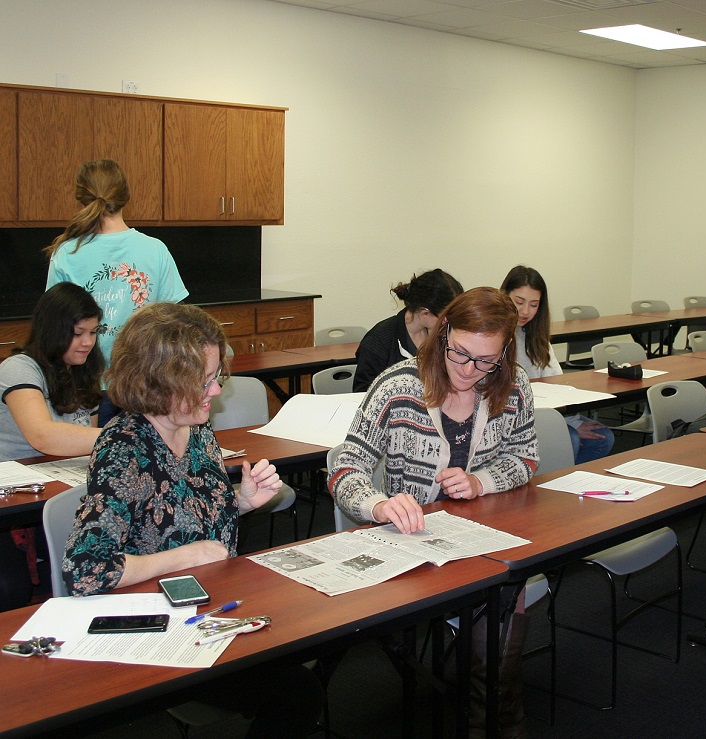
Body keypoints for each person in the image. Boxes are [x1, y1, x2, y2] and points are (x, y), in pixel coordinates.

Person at [60, 302, 322, 736]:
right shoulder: (125, 449)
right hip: (162, 624)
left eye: (216, 377)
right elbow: (86, 571)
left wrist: (241, 501)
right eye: (203, 381)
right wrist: (185, 556)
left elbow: (195, 520)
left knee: (317, 633)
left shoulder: (196, 429)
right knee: (296, 691)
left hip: (216, 602)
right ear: (159, 382)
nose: (216, 391)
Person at [330, 286, 537, 736]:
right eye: (461, 354)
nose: (469, 370)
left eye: (487, 361)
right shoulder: (399, 386)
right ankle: (492, 719)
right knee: (496, 616)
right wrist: (379, 503)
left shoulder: (513, 385)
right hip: (414, 546)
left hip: (484, 541)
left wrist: (483, 481)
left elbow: (525, 457)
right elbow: (346, 466)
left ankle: (493, 719)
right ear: (442, 333)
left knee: (503, 600)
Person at [0, 282, 104, 611]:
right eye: (78, 333)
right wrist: (125, 435)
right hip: (14, 499)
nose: (87, 342)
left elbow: (83, 442)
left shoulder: (82, 370)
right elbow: (43, 436)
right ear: (54, 330)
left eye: (94, 331)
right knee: (11, 588)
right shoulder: (19, 368)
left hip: (57, 487)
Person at [44, 159, 188, 372]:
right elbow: (176, 324)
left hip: (84, 380)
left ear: (81, 199)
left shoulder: (66, 252)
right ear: (125, 197)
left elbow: (53, 325)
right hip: (142, 380)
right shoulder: (155, 249)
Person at [500, 265, 615, 463]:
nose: (526, 311)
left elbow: (557, 384)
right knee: (570, 438)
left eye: (534, 305)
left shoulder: (536, 335)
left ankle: (569, 485)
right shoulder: (494, 335)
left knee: (603, 438)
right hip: (511, 417)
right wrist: (570, 425)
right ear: (504, 297)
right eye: (519, 302)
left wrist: (573, 421)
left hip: (543, 410)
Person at [352, 268, 463, 392]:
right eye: (445, 318)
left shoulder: (446, 334)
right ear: (425, 313)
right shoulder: (378, 341)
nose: (450, 323)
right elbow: (362, 393)